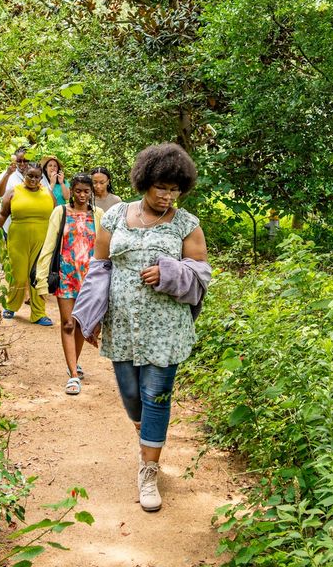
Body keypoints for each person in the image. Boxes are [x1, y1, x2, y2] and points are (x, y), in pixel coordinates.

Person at [88, 144, 207, 512]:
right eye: (162, 188)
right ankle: (148, 441)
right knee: (130, 393)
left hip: (165, 327)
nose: (168, 197)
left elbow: (201, 274)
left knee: (156, 394)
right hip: (122, 324)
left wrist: (170, 273)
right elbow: (99, 266)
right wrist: (88, 316)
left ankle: (149, 469)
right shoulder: (115, 218)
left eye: (175, 190)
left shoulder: (187, 224)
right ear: (145, 182)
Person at [36, 174, 104, 395]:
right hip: (66, 275)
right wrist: (41, 278)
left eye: (86, 191)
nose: (82, 195)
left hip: (90, 278)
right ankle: (73, 375)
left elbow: (106, 248)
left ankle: (73, 362)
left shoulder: (99, 215)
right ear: (71, 191)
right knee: (67, 323)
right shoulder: (61, 212)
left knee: (83, 325)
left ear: (91, 192)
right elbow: (49, 245)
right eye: (78, 191)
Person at [0, 165, 55, 324]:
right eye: (30, 176)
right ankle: (11, 306)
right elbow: (2, 215)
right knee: (19, 276)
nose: (34, 180)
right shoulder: (14, 192)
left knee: (38, 276)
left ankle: (39, 313)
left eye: (37, 177)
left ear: (41, 178)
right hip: (17, 239)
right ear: (24, 176)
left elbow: (57, 216)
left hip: (43, 239)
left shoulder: (48, 193)